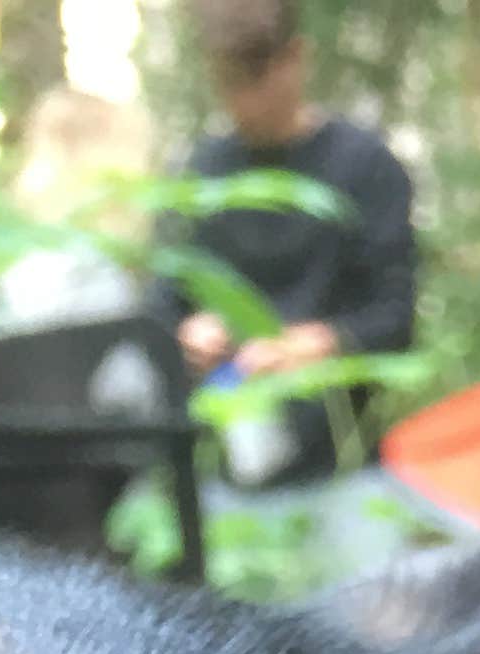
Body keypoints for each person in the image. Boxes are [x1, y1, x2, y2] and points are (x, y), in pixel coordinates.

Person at [154, 0, 416, 485]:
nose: (244, 103)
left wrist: (316, 345)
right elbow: (162, 301)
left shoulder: (365, 167)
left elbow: (395, 317)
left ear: (296, 57)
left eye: (257, 80)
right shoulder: (200, 175)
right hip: (222, 461)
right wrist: (188, 334)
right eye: (228, 82)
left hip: (345, 459)